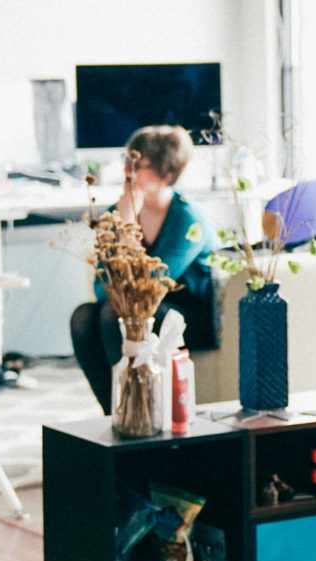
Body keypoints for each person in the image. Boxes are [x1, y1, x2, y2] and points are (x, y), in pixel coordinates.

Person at [70, 125, 221, 413]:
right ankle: (115, 411)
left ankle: (136, 410)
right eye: (128, 162)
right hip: (132, 309)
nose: (129, 171)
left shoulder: (188, 219)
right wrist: (125, 218)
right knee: (83, 318)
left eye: (139, 165)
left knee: (114, 314)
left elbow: (150, 287)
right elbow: (103, 286)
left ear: (165, 175)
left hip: (185, 314)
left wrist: (126, 225)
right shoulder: (120, 210)